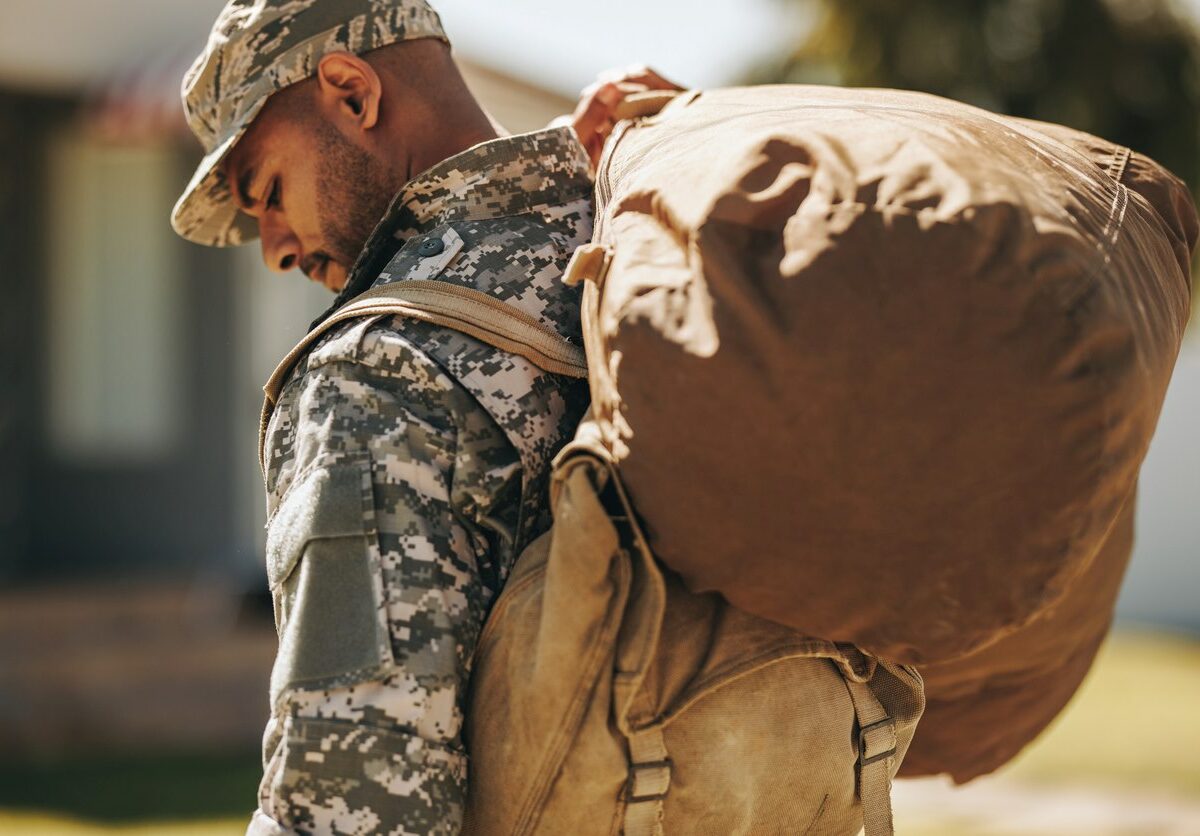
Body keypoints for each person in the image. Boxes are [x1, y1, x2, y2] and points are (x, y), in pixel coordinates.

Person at [170, 1, 677, 833]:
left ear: (350, 93)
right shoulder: (631, 237)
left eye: (266, 190)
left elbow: (355, 807)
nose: (274, 247)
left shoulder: (378, 370)